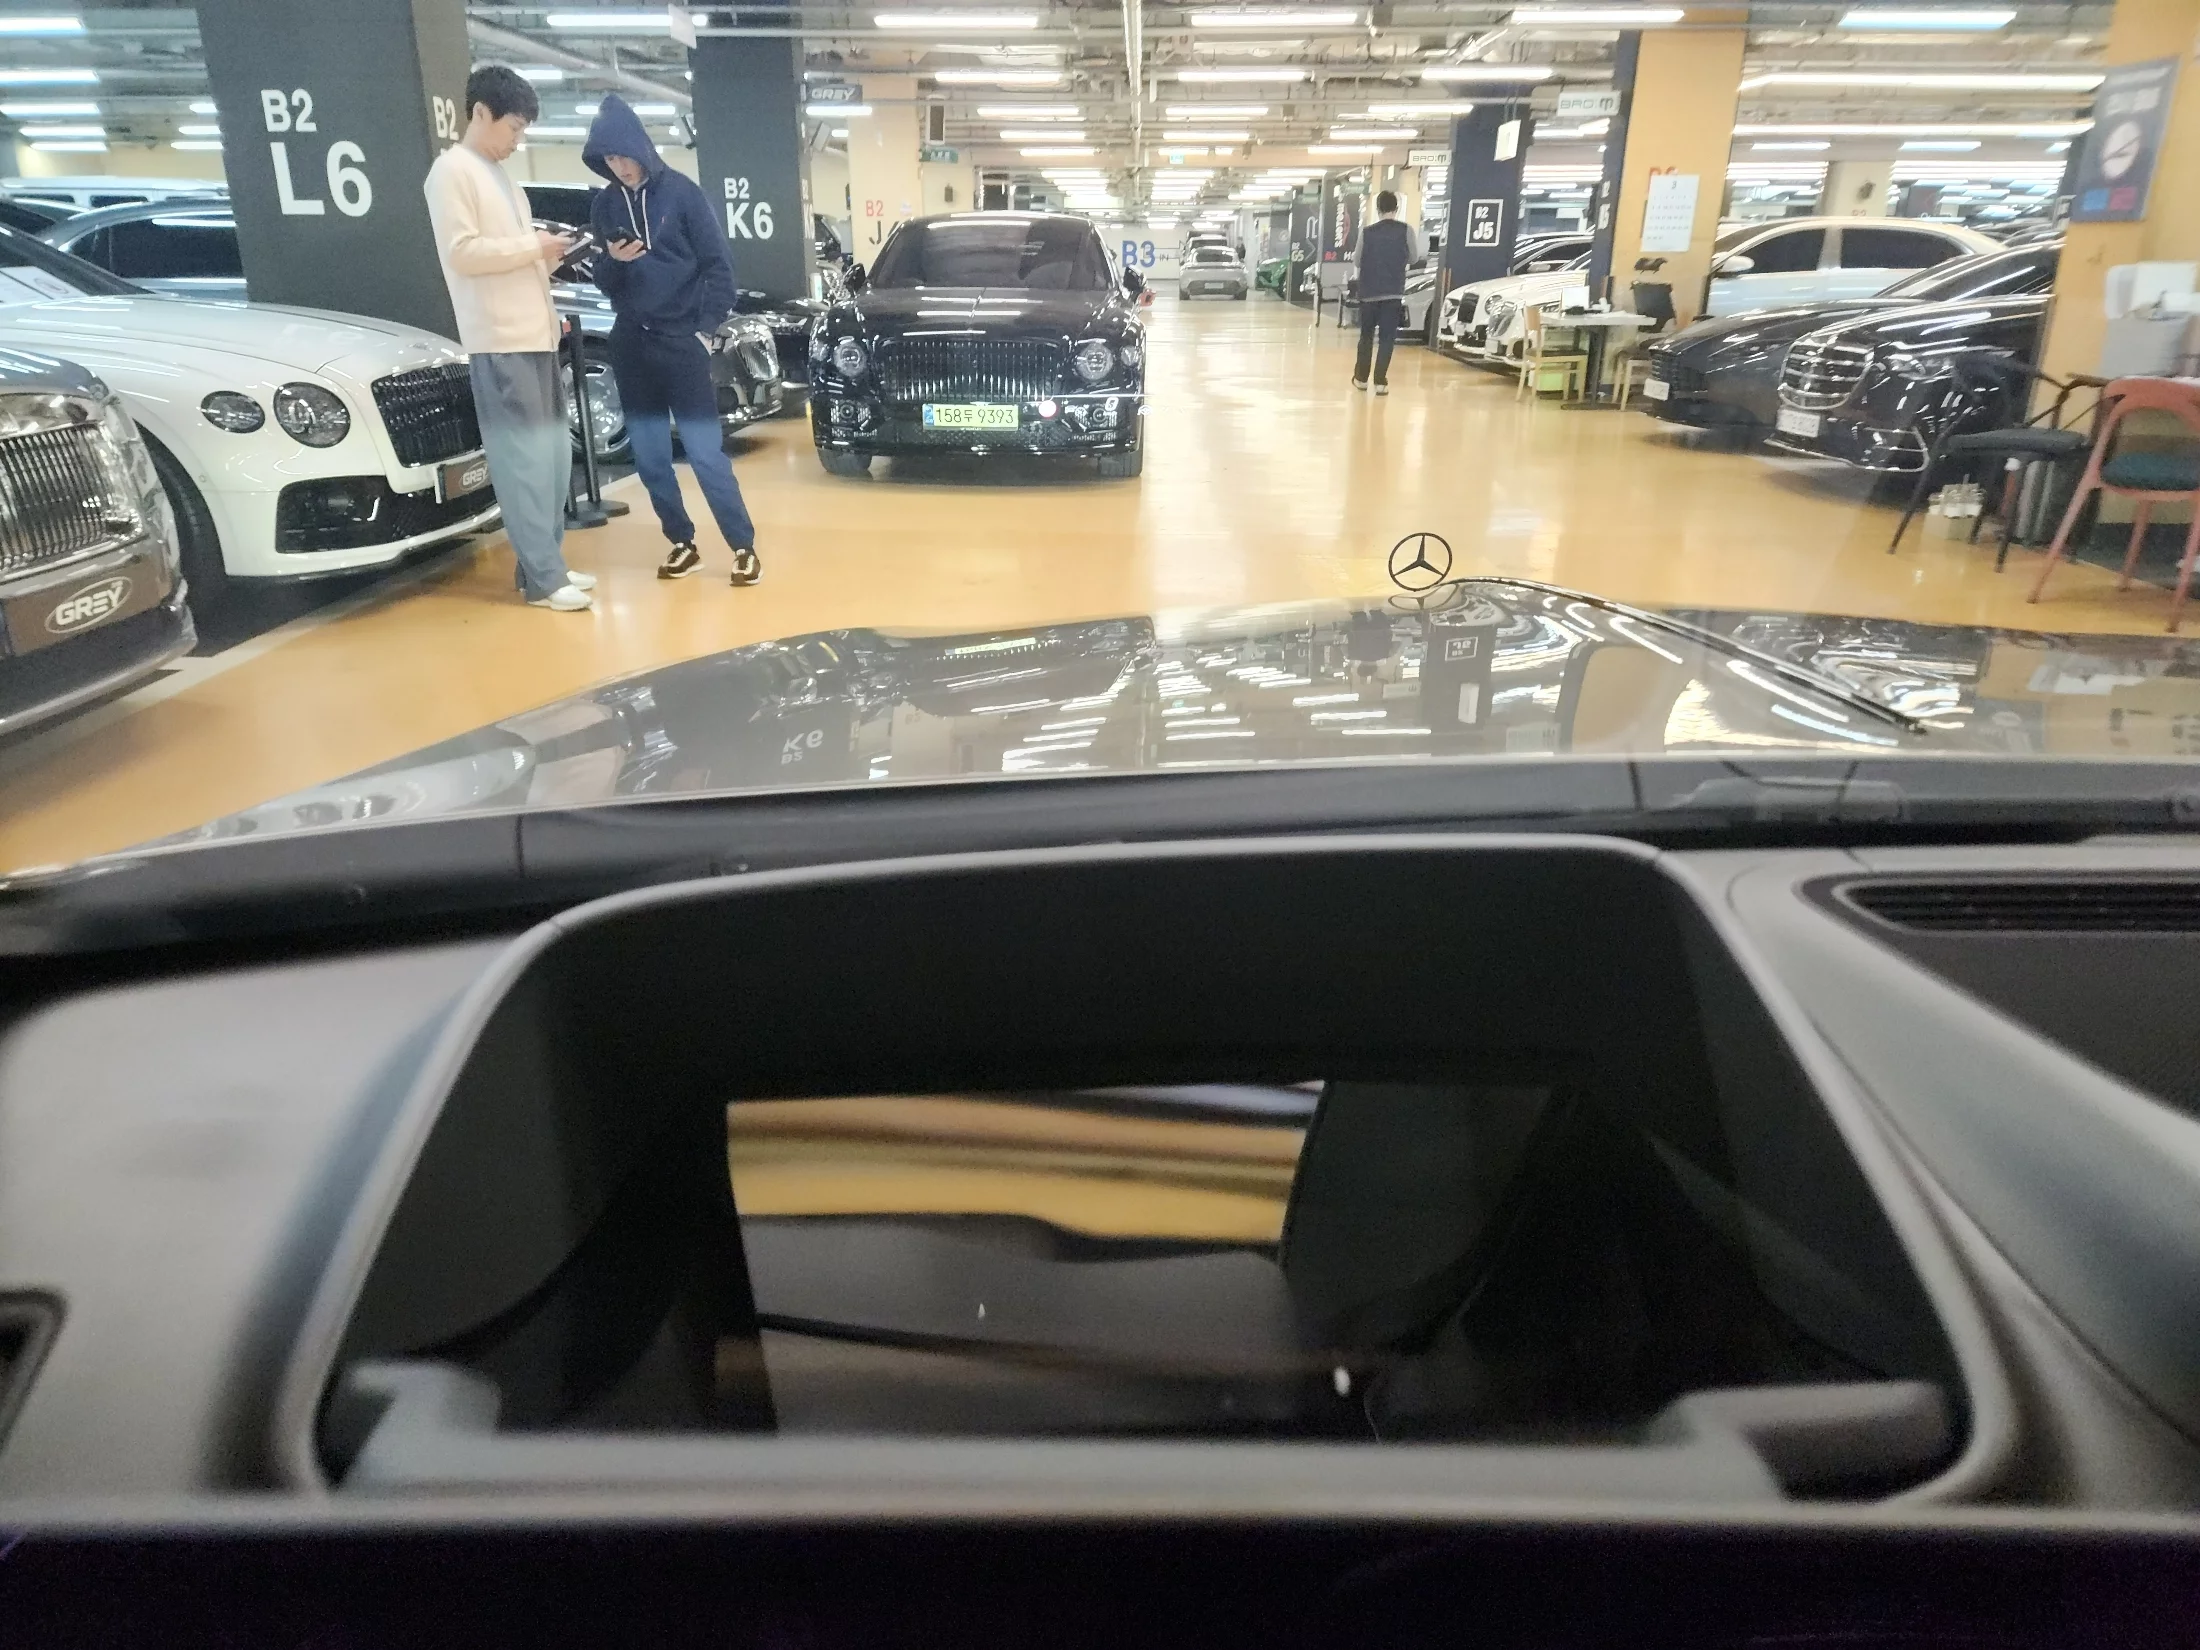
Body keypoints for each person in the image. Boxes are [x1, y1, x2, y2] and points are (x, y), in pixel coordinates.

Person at [422, 64, 595, 612]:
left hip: (536, 335)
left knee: (553, 460)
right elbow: (462, 254)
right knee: (523, 463)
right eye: (514, 127)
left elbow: (515, 257)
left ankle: (544, 564)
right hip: (499, 340)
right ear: (481, 113)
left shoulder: (505, 180)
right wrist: (533, 248)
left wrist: (553, 254)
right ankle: (544, 579)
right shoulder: (451, 172)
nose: (518, 141)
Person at [582, 94, 761, 586]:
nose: (620, 167)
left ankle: (743, 546)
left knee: (705, 454)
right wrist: (613, 262)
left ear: (642, 147)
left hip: (682, 342)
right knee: (650, 458)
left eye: (624, 155)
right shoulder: (604, 205)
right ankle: (681, 542)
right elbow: (606, 282)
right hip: (631, 344)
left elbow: (719, 268)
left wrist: (704, 329)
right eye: (609, 159)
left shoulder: (683, 194)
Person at [1350, 191, 1422, 397]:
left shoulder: (1367, 232)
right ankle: (1380, 382)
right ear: (1396, 209)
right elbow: (1414, 258)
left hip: (1368, 293)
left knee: (1366, 337)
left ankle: (1361, 379)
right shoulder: (1406, 230)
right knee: (1387, 338)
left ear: (1377, 209)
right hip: (1393, 292)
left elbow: (1357, 260)